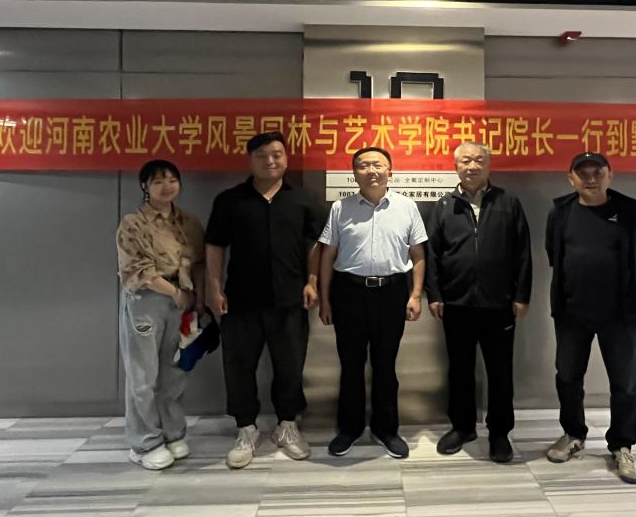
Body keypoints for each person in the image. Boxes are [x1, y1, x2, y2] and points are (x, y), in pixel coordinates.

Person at [205, 131, 324, 469]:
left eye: (276, 154)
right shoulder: (229, 200)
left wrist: (312, 281)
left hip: (290, 300)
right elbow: (215, 246)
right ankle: (246, 429)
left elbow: (315, 245)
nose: (270, 161)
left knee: (290, 365)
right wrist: (214, 288)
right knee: (239, 366)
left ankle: (287, 425)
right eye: (261, 156)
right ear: (251, 160)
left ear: (286, 158)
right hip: (240, 301)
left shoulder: (303, 199)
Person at [544, 151, 636, 484]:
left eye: (598, 172)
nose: (591, 179)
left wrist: (619, 285)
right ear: (571, 179)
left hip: (621, 315)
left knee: (624, 383)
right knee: (568, 376)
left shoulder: (633, 213)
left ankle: (622, 445)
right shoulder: (560, 213)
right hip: (572, 312)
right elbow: (555, 256)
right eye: (583, 173)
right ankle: (573, 434)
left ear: (611, 175)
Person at [425, 142, 532, 463]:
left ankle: (499, 433)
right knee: (459, 369)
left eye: (478, 160)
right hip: (456, 303)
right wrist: (435, 294)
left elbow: (523, 253)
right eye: (465, 161)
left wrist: (522, 296)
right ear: (455, 166)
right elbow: (432, 254)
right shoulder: (444, 205)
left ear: (488, 165)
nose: (472, 166)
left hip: (499, 303)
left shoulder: (508, 202)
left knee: (500, 371)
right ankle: (462, 427)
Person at [318, 146, 428, 459]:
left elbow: (418, 254)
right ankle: (349, 428)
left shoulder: (407, 207)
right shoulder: (340, 208)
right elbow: (328, 255)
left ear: (390, 172)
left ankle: (386, 429)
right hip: (348, 294)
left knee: (385, 365)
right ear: (354, 174)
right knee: (350, 365)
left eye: (378, 165)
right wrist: (325, 299)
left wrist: (415, 294)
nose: (371, 171)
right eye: (363, 166)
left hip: (392, 293)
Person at [115, 159, 206, 470]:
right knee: (143, 375)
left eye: (172, 180)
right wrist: (175, 293)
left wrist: (197, 298)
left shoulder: (189, 222)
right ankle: (144, 441)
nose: (167, 186)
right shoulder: (133, 223)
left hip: (183, 302)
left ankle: (172, 432)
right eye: (158, 181)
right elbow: (136, 269)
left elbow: (200, 263)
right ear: (145, 186)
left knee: (174, 371)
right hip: (148, 300)